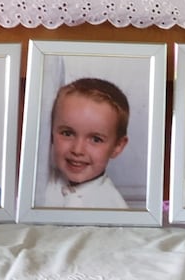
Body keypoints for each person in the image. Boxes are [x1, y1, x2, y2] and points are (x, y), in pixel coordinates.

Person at [42, 77, 130, 209]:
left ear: (117, 146)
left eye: (96, 139)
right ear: (50, 131)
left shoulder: (115, 209)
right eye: (67, 133)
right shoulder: (38, 183)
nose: (77, 150)